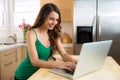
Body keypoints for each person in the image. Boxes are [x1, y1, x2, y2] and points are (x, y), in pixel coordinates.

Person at [14, 3, 77, 80]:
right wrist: (59, 65)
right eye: (51, 19)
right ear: (43, 17)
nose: (54, 23)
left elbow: (64, 54)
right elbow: (35, 61)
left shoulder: (54, 34)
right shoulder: (31, 33)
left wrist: (75, 62)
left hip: (40, 73)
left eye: (57, 20)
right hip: (24, 76)